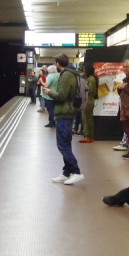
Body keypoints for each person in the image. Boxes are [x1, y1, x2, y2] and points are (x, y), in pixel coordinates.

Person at [45, 54, 84, 186]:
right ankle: (66, 172)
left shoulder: (66, 75)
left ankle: (76, 172)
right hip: (68, 112)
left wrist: (49, 92)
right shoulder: (72, 74)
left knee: (62, 145)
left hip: (65, 113)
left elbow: (61, 96)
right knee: (66, 144)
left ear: (57, 63)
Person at [80, 62, 98, 143]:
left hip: (88, 100)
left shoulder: (91, 79)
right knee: (88, 118)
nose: (83, 70)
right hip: (86, 100)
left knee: (86, 119)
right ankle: (90, 136)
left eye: (84, 69)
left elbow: (90, 90)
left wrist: (81, 89)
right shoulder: (87, 77)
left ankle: (88, 136)